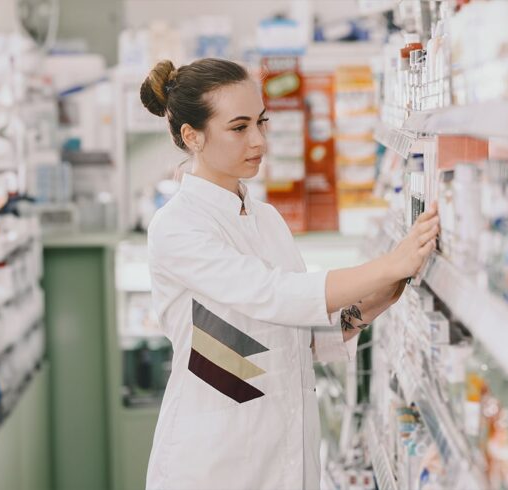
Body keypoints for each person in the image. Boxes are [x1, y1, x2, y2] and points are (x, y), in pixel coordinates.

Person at [140, 58, 439, 490]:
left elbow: (294, 336)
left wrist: (377, 299)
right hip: (213, 465)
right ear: (193, 136)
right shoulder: (177, 227)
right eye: (239, 128)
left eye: (261, 122)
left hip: (286, 457)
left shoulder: (266, 219)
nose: (259, 140)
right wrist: (389, 263)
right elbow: (272, 294)